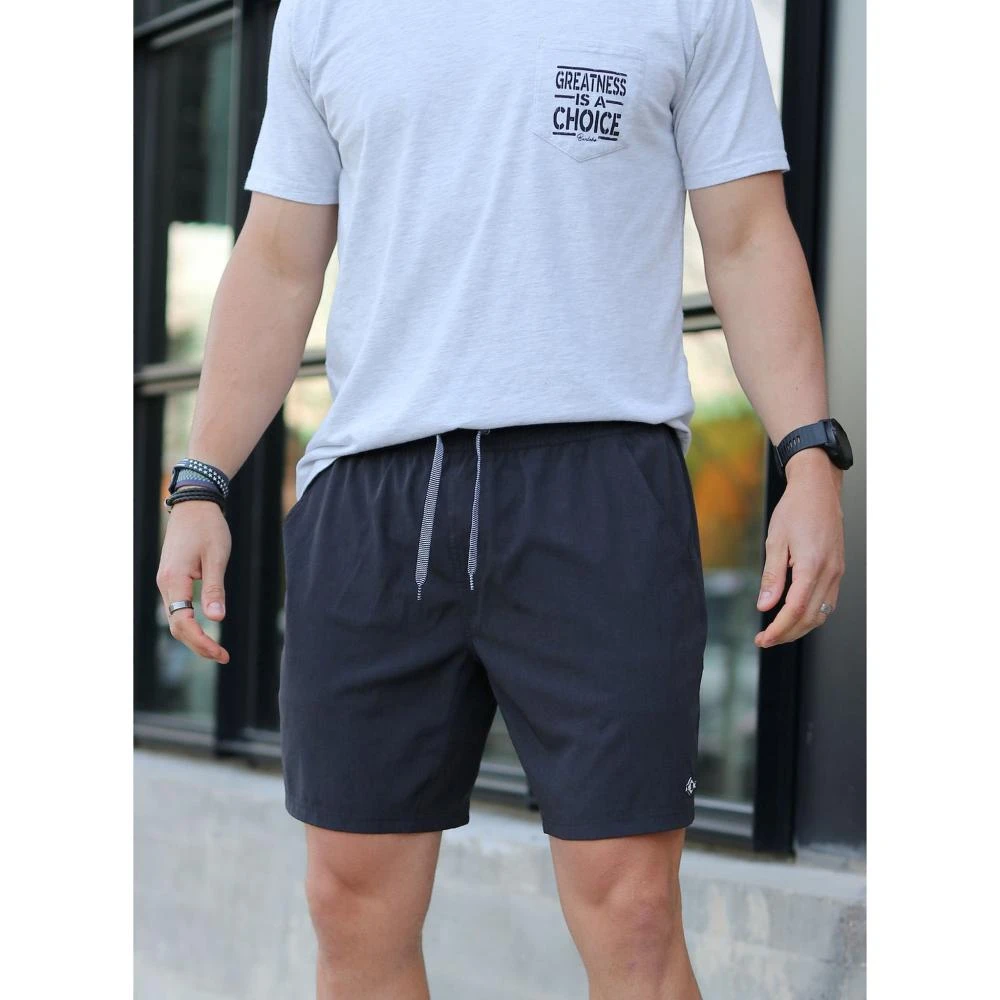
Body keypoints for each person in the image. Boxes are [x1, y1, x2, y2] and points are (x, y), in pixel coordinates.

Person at [156, 0, 852, 996]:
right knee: (350, 905)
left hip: (599, 490)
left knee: (632, 908)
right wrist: (202, 480)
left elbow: (745, 237)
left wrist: (808, 456)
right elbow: (276, 257)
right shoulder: (323, 11)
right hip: (375, 496)